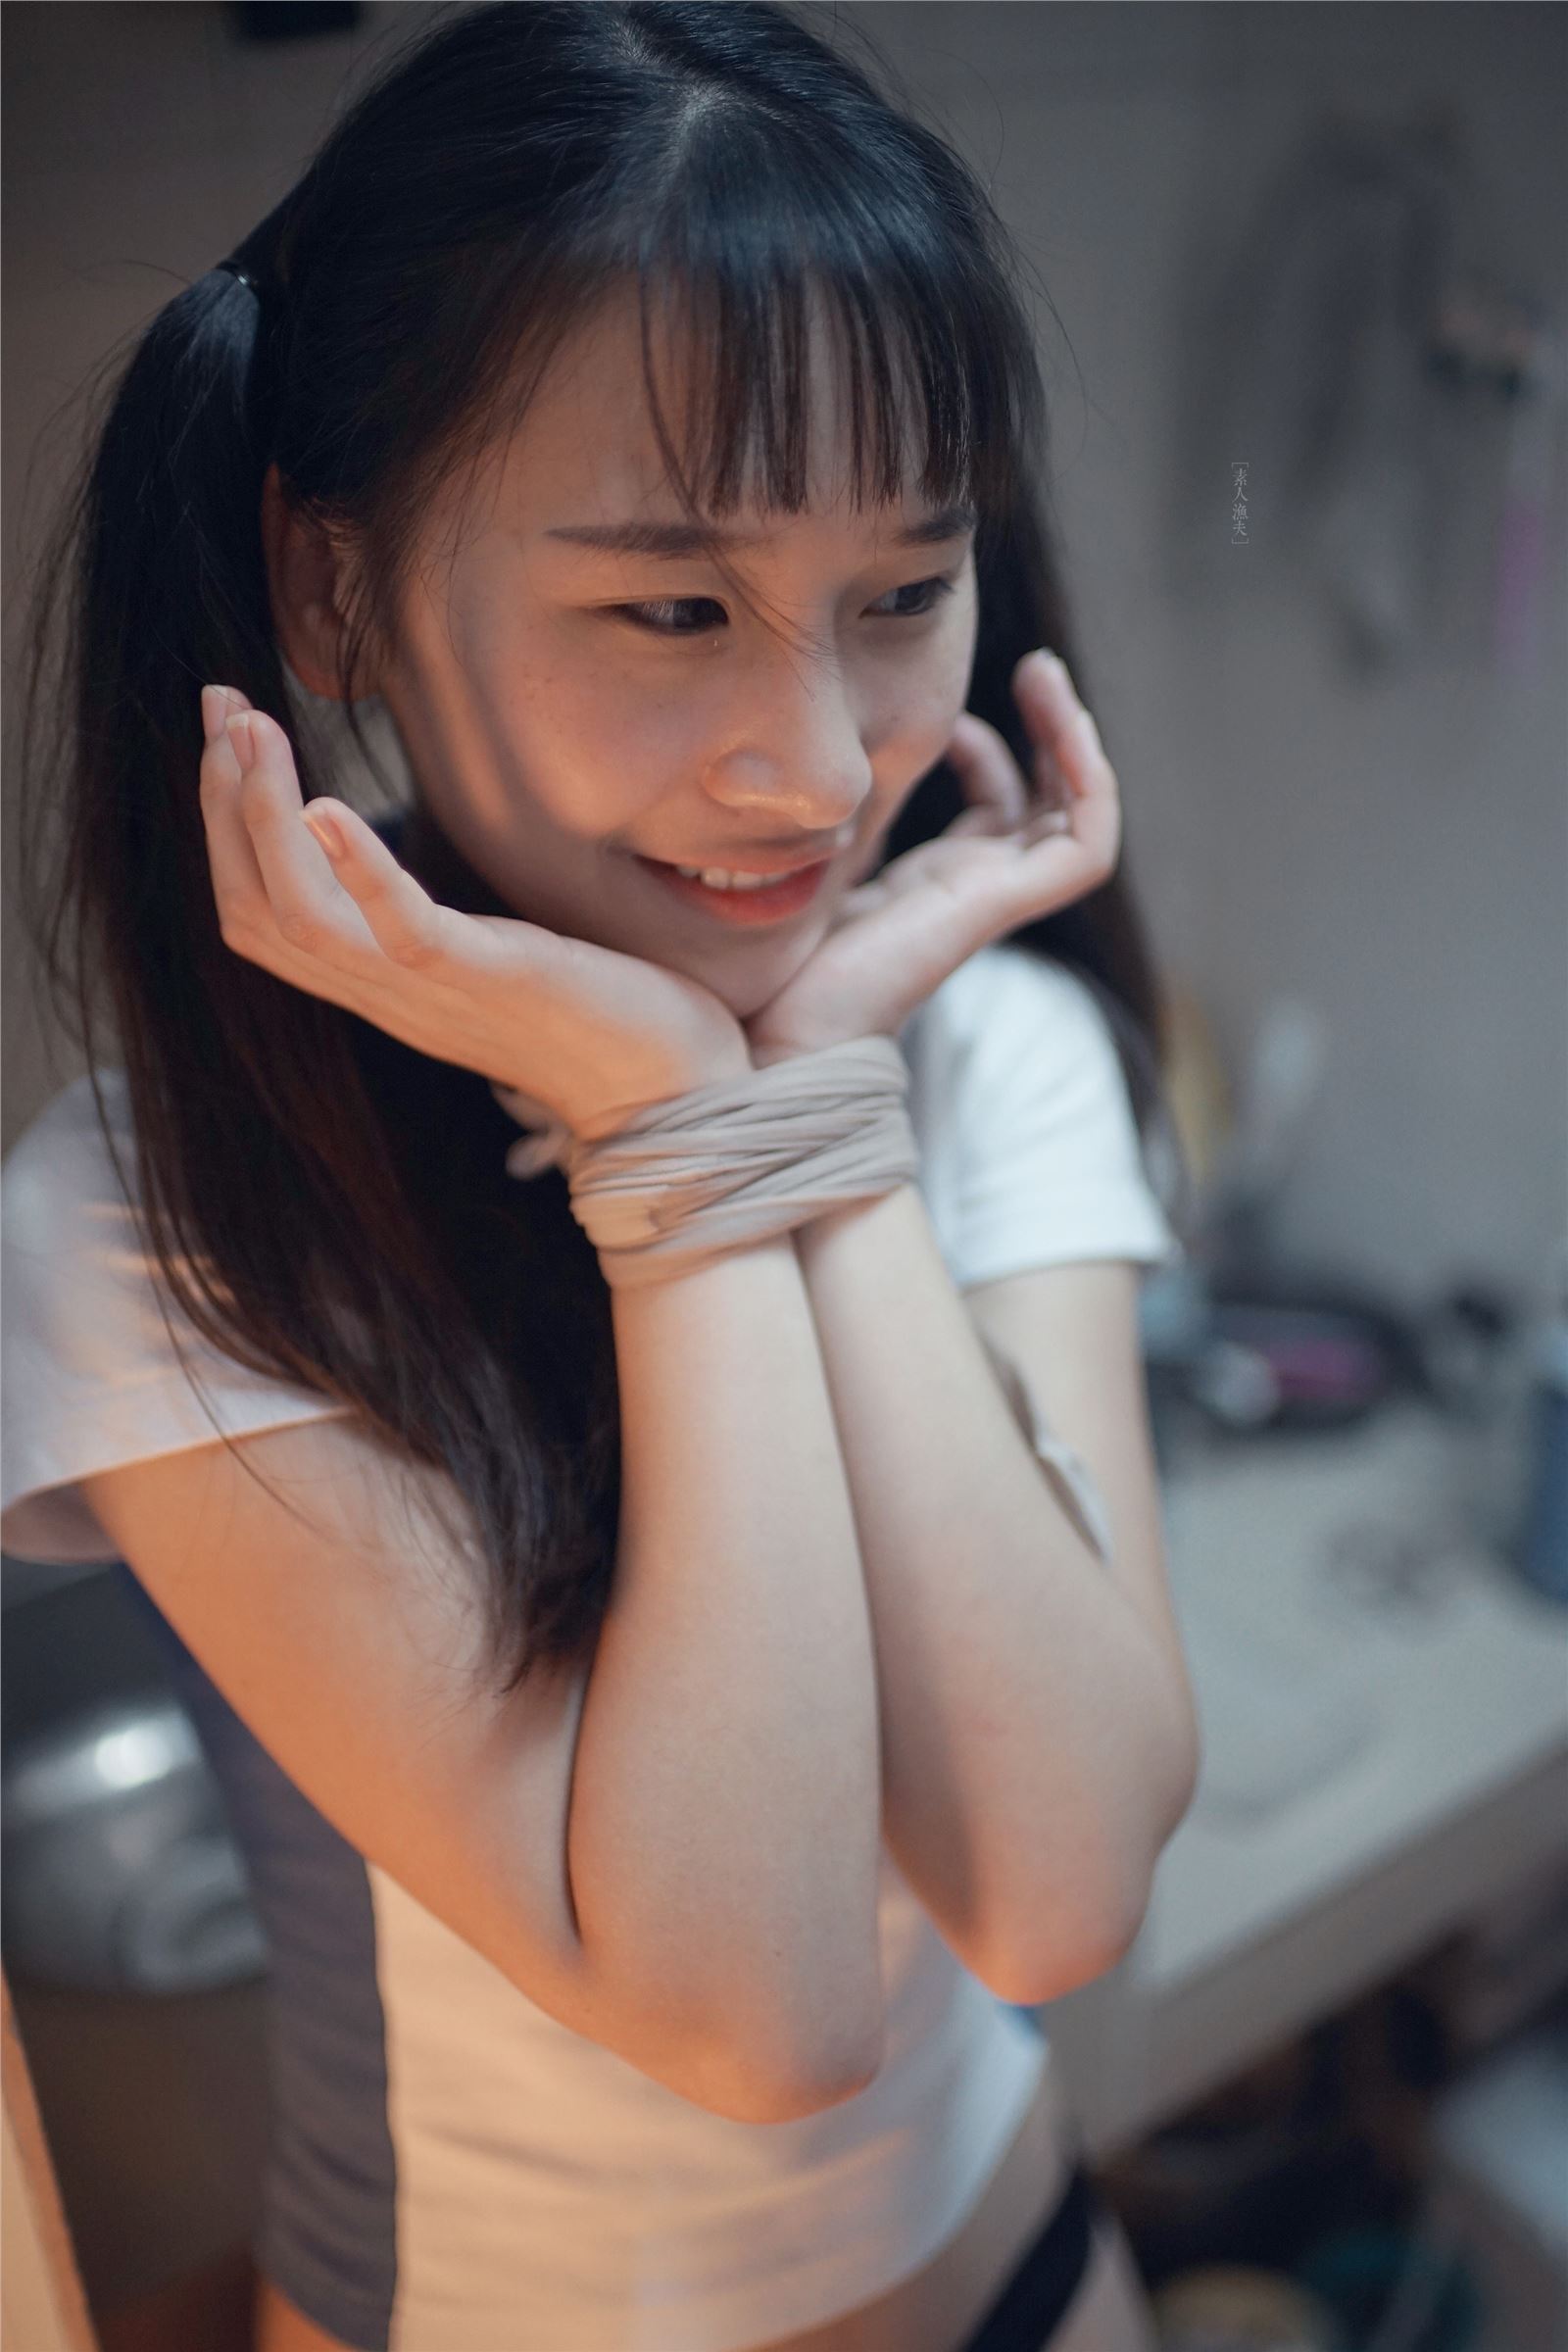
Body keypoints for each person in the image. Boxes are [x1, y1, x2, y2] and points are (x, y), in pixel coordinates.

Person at [3, 5, 1202, 2346]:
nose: (814, 761)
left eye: (896, 596)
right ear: (332, 591)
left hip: (1041, 2282)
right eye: (670, 608)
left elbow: (1053, 1891)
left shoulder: (991, 1045)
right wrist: (674, 1125)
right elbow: (750, 2010)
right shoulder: (150, 1227)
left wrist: (802, 1109)